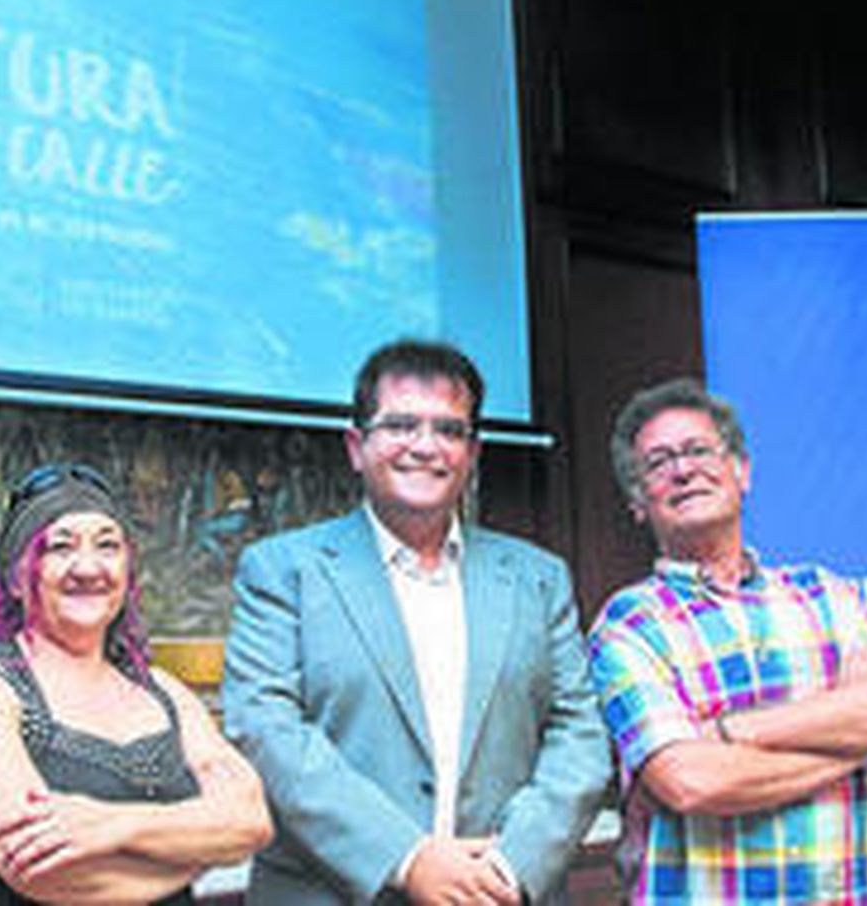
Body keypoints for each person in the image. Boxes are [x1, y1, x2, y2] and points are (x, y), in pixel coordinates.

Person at [223, 339, 611, 905]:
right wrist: (407, 858)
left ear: (472, 452)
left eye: (449, 430)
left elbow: (579, 734)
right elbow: (267, 730)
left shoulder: (538, 578)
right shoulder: (283, 571)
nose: (425, 446)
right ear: (357, 447)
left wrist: (512, 865)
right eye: (401, 425)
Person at [587, 379, 867, 904]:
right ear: (638, 502)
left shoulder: (824, 594)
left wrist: (731, 731)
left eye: (699, 450)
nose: (683, 469)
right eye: (658, 463)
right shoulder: (629, 625)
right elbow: (692, 782)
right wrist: (853, 743)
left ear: (741, 472)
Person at [0, 462, 272, 904]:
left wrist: (111, 825)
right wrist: (198, 851)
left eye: (108, 546)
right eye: (60, 547)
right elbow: (50, 875)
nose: (88, 568)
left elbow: (251, 822)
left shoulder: (164, 692)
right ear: (15, 579)